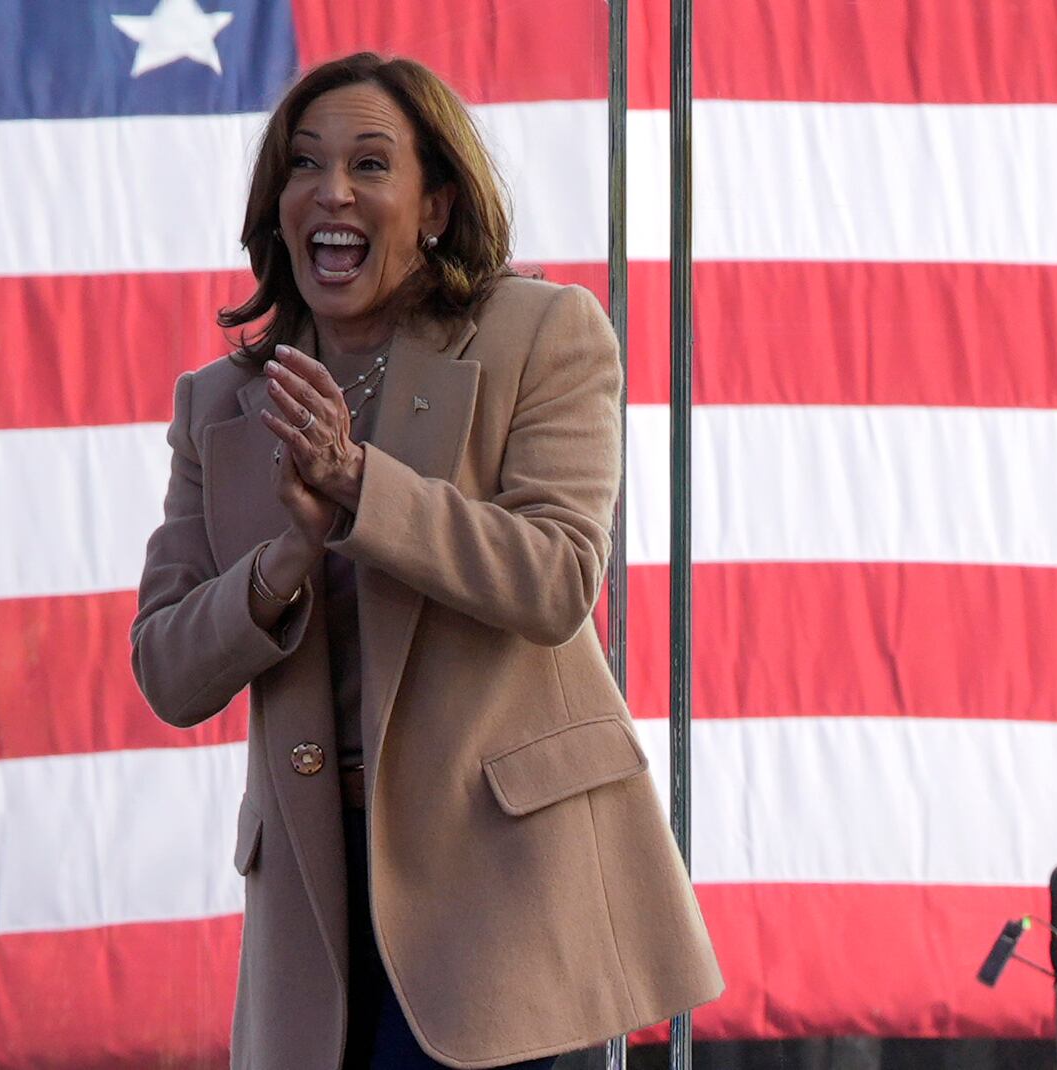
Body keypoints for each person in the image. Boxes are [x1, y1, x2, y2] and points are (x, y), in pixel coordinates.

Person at [130, 52, 723, 1070]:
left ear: (436, 204)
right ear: (278, 206)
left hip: (505, 894)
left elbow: (555, 575)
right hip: (317, 908)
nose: (332, 191)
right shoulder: (218, 403)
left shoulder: (542, 332)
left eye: (371, 164)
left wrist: (361, 484)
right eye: (304, 165)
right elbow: (167, 669)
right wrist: (283, 562)